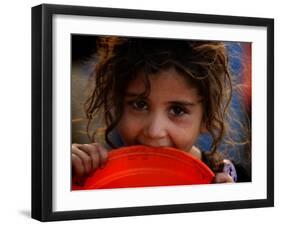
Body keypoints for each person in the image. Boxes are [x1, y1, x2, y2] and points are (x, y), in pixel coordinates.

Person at [72, 36, 239, 184]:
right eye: (139, 105)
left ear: (206, 118)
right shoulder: (94, 175)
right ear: (116, 104)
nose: (154, 131)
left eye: (177, 110)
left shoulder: (233, 184)